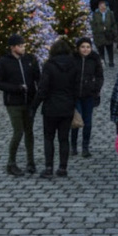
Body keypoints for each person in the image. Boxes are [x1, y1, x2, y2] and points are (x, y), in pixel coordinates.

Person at [0, 34, 40, 176]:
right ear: (12, 47)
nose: (23, 48)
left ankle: (30, 162)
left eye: (24, 45)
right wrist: (16, 88)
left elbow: (38, 78)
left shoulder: (30, 59)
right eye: (20, 46)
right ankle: (11, 163)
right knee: (18, 132)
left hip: (29, 101)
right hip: (13, 102)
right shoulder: (4, 62)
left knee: (29, 132)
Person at [33, 38, 79, 179]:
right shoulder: (74, 65)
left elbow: (43, 88)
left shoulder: (49, 65)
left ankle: (48, 168)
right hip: (67, 106)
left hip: (51, 107)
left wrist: (34, 107)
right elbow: (77, 87)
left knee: (49, 138)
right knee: (64, 139)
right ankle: (63, 168)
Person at [71, 37, 104, 158]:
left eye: (88, 47)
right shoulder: (73, 59)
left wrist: (95, 87)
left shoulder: (94, 59)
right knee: (76, 120)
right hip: (75, 95)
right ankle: (73, 146)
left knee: (88, 122)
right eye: (83, 47)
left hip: (89, 95)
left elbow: (100, 76)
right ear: (78, 48)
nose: (85, 49)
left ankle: (85, 147)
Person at [90, 0, 117, 67]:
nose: (102, 7)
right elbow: (93, 24)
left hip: (108, 34)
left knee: (110, 49)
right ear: (99, 6)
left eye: (103, 5)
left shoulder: (110, 13)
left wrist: (114, 33)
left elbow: (114, 24)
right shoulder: (95, 14)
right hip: (99, 35)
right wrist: (95, 31)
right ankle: (102, 61)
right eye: (101, 6)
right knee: (101, 49)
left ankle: (111, 61)